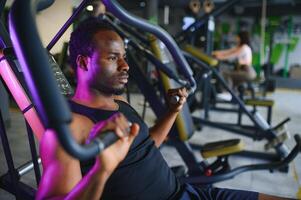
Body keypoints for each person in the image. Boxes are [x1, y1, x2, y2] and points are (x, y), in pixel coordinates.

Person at [36, 17, 293, 200]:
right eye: (114, 58)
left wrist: (172, 111)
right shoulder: (70, 127)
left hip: (189, 192)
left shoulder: (121, 105)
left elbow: (148, 146)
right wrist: (101, 170)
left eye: (124, 57)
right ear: (83, 62)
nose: (126, 66)